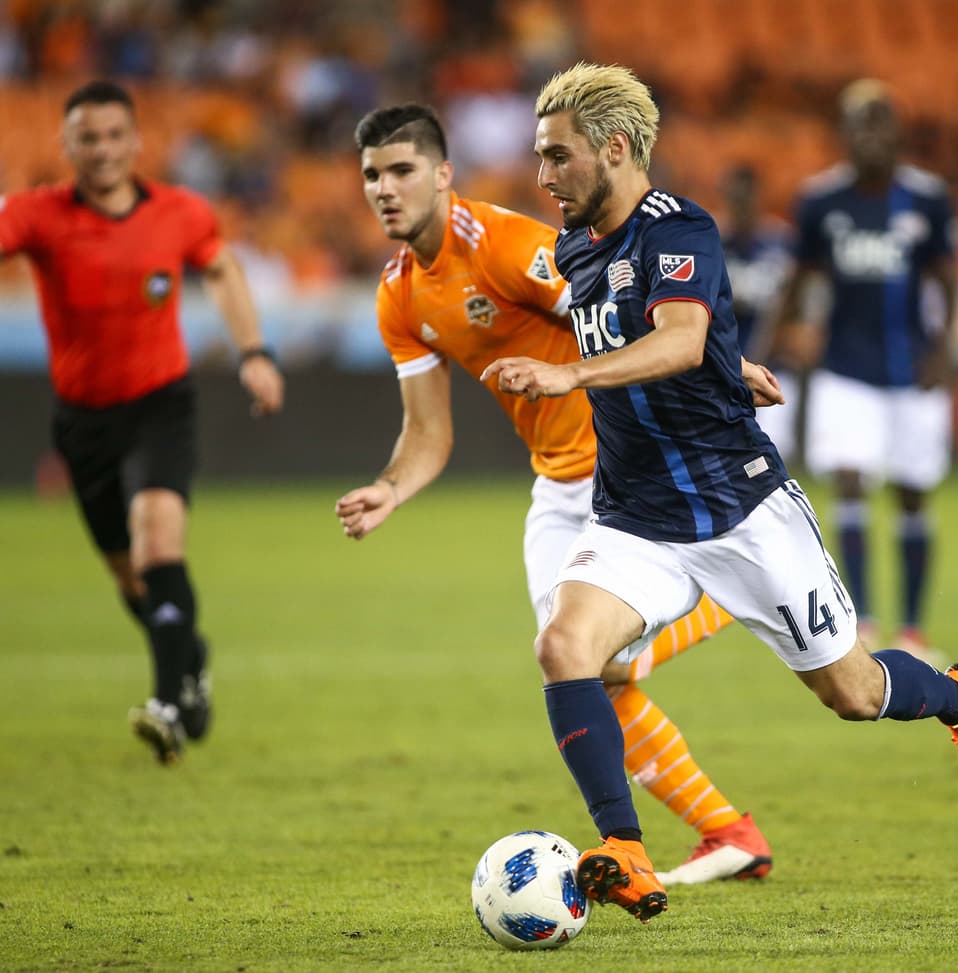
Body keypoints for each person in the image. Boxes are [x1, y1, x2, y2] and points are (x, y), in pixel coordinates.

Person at [483, 62, 958, 924]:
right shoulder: (573, 251)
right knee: (564, 644)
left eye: (557, 156)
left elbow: (683, 336)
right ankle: (624, 846)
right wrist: (738, 367)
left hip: (743, 509)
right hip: (637, 519)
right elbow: (690, 340)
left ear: (615, 149)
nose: (543, 177)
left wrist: (568, 374)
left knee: (852, 691)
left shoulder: (676, 227)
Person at [334, 103, 776, 883]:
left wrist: (721, 362)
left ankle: (723, 592)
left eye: (401, 170)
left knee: (595, 662)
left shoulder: (502, 245)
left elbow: (619, 298)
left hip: (632, 474)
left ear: (442, 174)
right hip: (559, 487)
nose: (384, 188)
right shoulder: (400, 295)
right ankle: (729, 831)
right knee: (575, 666)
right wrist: (389, 488)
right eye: (372, 174)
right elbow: (430, 434)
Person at [0, 80, 285, 764]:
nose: (100, 150)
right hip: (82, 421)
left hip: (162, 404)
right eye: (86, 138)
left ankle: (166, 702)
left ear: (136, 142)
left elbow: (221, 271)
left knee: (159, 540)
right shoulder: (36, 214)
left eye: (112, 136)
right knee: (131, 578)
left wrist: (254, 352)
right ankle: (189, 653)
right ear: (65, 145)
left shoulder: (179, 212)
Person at [768, 79, 958, 662]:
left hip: (912, 370)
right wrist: (769, 344)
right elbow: (798, 281)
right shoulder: (821, 201)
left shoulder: (927, 198)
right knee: (849, 480)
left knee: (912, 492)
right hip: (845, 370)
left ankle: (913, 628)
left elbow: (949, 280)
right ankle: (863, 621)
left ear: (897, 132)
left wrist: (944, 349)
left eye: (880, 122)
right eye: (859, 124)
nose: (871, 135)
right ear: (844, 135)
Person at [719, 164, 797, 463]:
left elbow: (797, 302)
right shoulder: (711, 243)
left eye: (745, 198)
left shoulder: (782, 243)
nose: (740, 206)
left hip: (773, 367)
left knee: (773, 458)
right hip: (724, 371)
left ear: (757, 198)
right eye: (734, 198)